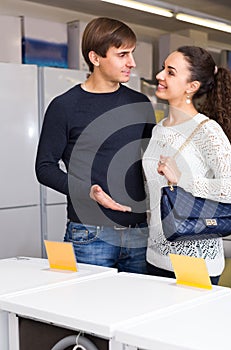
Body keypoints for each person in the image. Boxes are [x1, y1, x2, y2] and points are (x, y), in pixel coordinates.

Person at [35, 17, 156, 274]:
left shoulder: (140, 103)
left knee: (139, 308)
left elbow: (156, 155)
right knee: (88, 310)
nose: (131, 63)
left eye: (132, 54)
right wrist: (87, 191)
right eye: (122, 54)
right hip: (89, 234)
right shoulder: (64, 106)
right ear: (95, 57)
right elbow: (44, 168)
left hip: (139, 232)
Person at [142, 45, 231, 284]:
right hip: (155, 258)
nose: (160, 75)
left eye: (170, 72)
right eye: (162, 69)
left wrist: (183, 180)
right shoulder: (159, 130)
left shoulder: (207, 131)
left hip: (194, 263)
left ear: (192, 86)